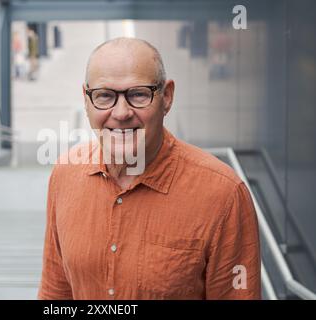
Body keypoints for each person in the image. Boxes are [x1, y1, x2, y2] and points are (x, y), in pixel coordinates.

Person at [38, 37, 261, 300]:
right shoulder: (65, 175)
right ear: (86, 100)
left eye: (138, 94)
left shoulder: (223, 195)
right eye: (105, 96)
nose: (121, 113)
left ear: (166, 97)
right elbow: (55, 293)